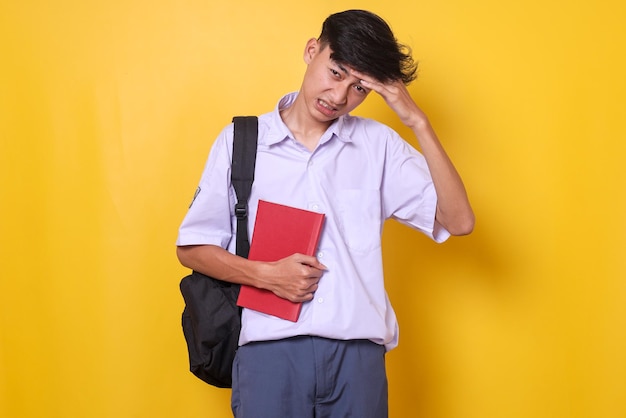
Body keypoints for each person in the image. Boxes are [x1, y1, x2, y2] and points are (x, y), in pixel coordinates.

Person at [176, 9, 474, 418]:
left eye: (359, 88)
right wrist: (266, 275)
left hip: (358, 359)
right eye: (335, 73)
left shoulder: (377, 145)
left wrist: (417, 122)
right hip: (269, 354)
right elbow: (192, 248)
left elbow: (459, 222)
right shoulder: (242, 141)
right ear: (312, 50)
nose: (339, 97)